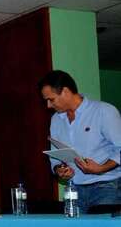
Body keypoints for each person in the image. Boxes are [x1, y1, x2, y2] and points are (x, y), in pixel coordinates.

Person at [39, 70, 120, 212]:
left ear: (65, 91)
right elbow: (55, 156)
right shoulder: (56, 120)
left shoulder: (104, 111)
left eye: (51, 99)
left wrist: (101, 168)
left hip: (107, 186)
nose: (48, 106)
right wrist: (59, 169)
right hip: (73, 189)